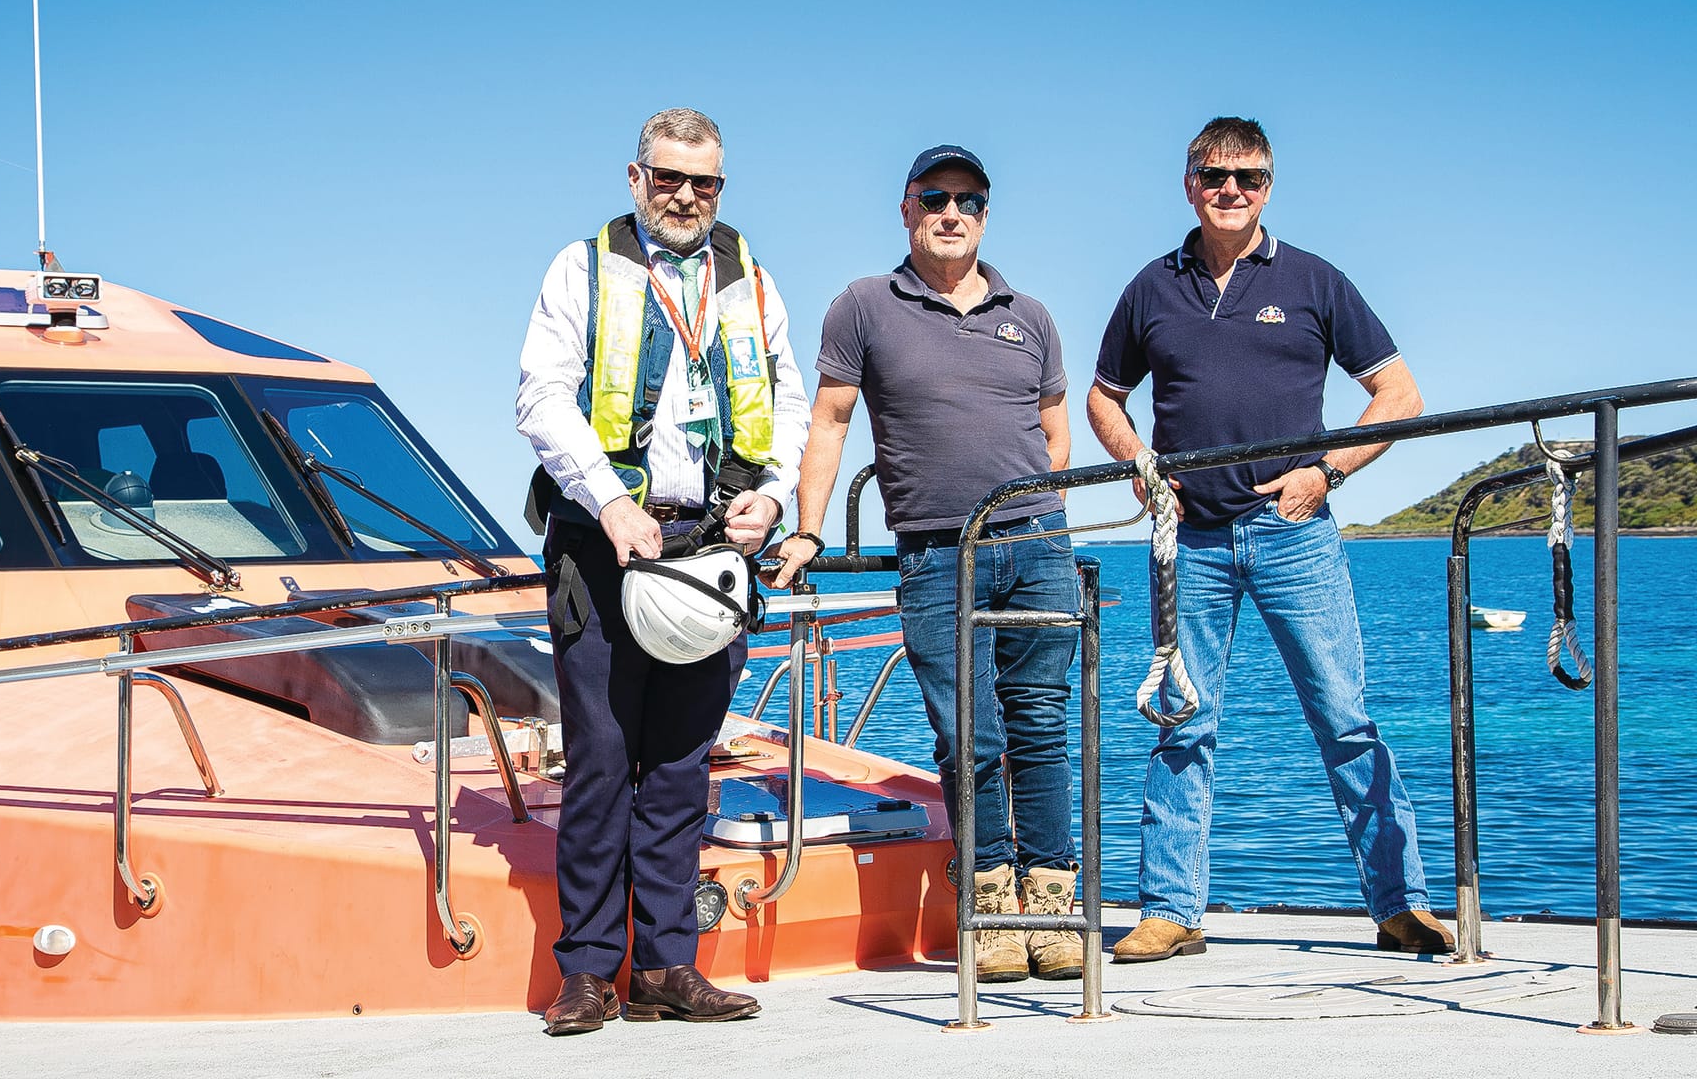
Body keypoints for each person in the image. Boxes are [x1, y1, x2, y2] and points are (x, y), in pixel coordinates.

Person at [1085, 116, 1454, 963]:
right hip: (1191, 542)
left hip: (1295, 534)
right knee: (1183, 721)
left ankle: (1403, 906)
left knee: (1345, 718)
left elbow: (1397, 394)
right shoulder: (1152, 286)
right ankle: (1171, 911)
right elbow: (1104, 397)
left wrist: (1328, 472)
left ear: (1269, 187)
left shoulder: (1315, 280)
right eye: (1215, 176)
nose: (1231, 192)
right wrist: (1140, 464)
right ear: (1188, 182)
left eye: (1248, 178)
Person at [516, 108, 810, 1033]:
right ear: (635, 178)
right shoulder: (583, 266)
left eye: (706, 182)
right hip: (603, 546)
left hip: (712, 553)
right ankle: (591, 971)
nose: (688, 195)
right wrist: (608, 500)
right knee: (603, 758)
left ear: (722, 186)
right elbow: (541, 396)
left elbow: (790, 400)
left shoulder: (751, 278)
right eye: (669, 176)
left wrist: (770, 492)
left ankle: (667, 966)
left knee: (683, 764)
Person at [770, 145, 1082, 983]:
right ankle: (986, 904)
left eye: (969, 200)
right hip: (939, 554)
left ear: (986, 214)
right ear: (907, 210)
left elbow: (1055, 428)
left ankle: (1051, 904)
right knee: (968, 734)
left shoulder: (1032, 315)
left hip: (1038, 546)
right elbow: (831, 422)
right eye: (935, 198)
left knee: (1043, 726)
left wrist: (1044, 509)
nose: (953, 213)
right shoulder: (864, 306)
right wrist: (807, 530)